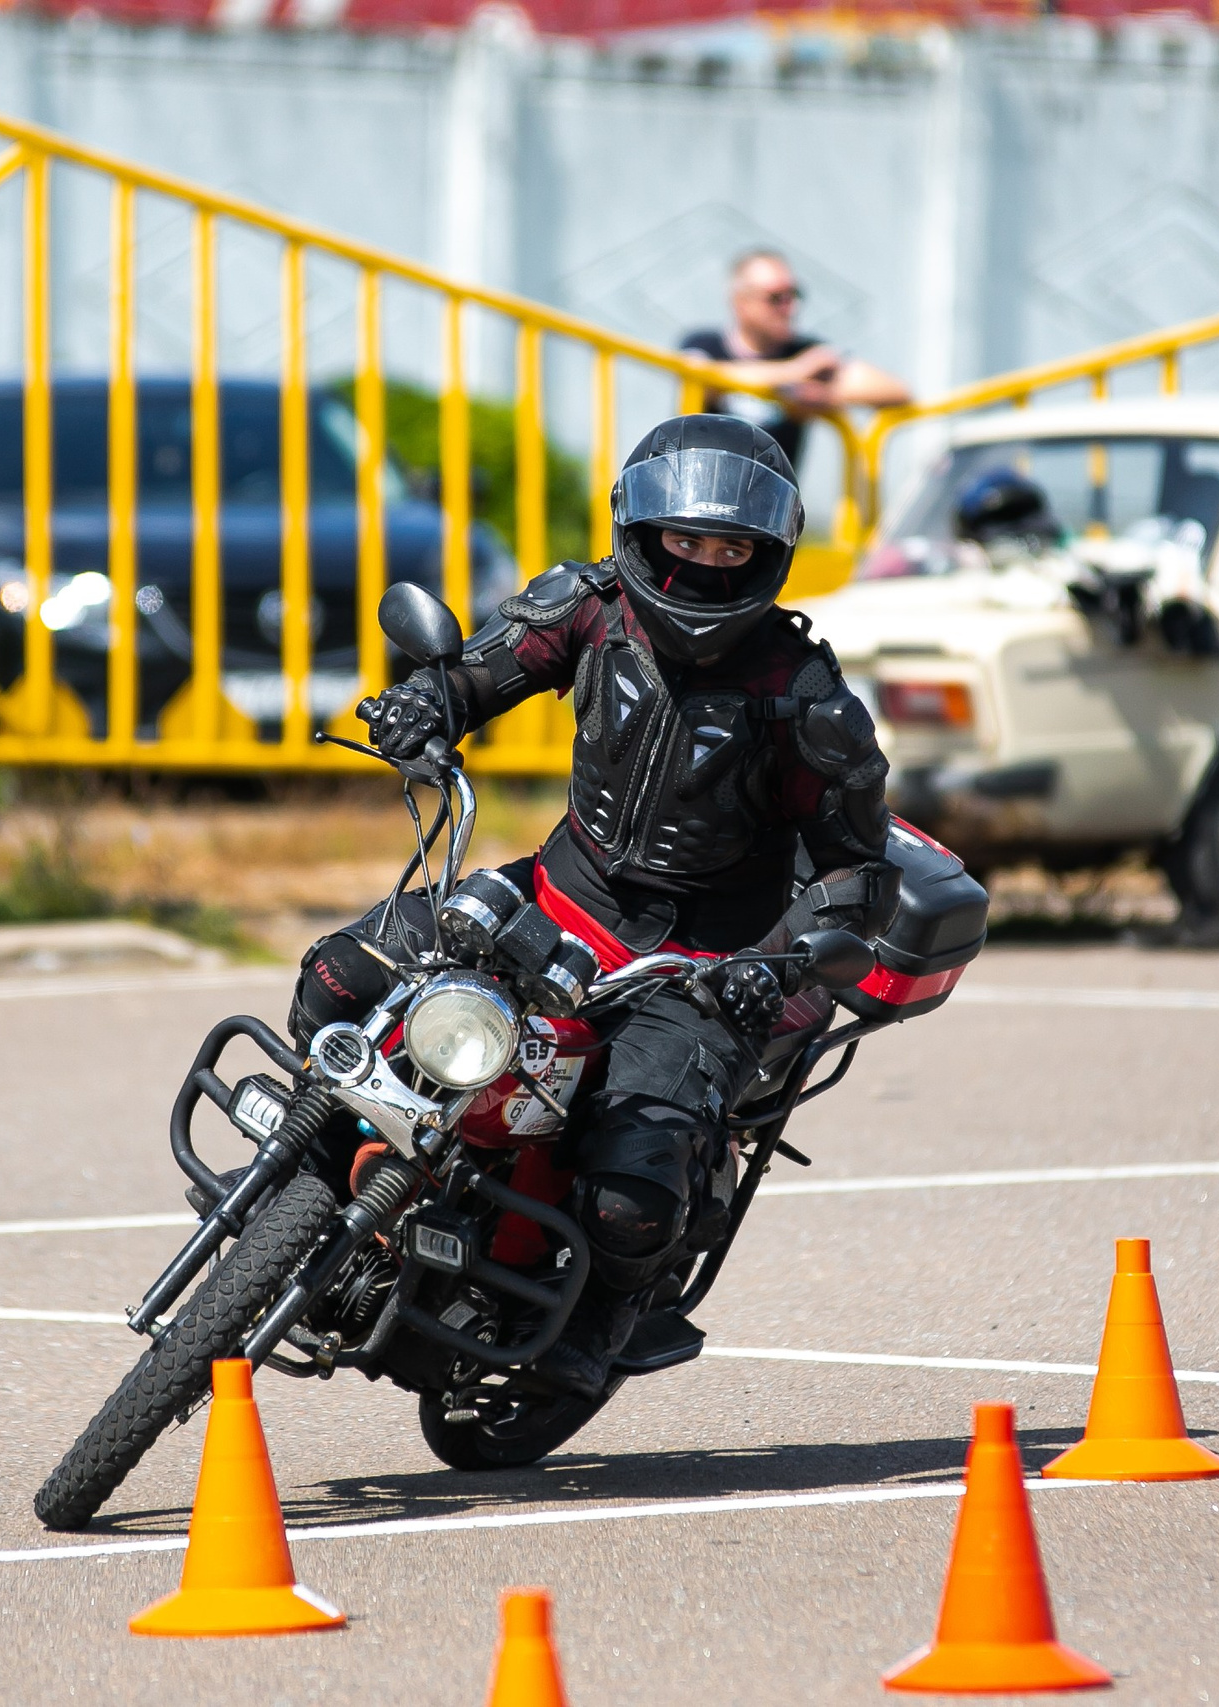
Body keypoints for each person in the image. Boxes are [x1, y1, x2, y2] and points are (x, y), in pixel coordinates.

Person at [296, 413, 900, 1398]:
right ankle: (314, 1173)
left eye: (731, 547)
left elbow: (858, 874)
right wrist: (423, 706)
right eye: (685, 540)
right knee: (340, 978)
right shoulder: (587, 607)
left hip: (699, 965)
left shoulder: (807, 698)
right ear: (640, 530)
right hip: (551, 896)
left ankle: (606, 1316)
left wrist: (781, 963)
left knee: (629, 1194)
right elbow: (480, 674)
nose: (705, 564)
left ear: (767, 553)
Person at [680, 249, 910, 475]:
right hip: (698, 491)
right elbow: (702, 376)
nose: (790, 307)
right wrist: (797, 371)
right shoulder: (704, 343)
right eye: (776, 298)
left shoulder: (806, 352)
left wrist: (828, 397)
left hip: (771, 504)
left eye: (794, 295)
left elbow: (895, 391)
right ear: (741, 302)